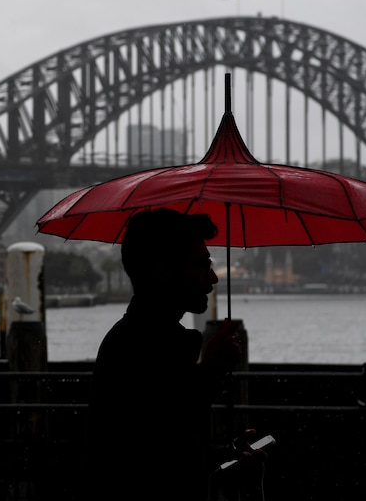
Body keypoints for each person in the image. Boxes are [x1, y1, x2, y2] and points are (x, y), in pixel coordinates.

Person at [85, 208, 256, 500]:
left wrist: (227, 456)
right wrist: (211, 370)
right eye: (201, 265)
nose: (213, 278)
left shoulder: (133, 337)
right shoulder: (145, 346)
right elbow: (160, 455)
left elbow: (172, 445)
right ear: (162, 271)